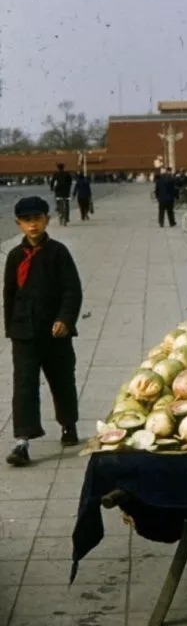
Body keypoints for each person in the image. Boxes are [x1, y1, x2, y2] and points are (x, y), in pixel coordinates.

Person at [4, 197, 83, 466]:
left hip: (55, 333)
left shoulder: (58, 253)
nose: (33, 225)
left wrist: (65, 319)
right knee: (24, 385)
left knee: (62, 380)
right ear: (19, 224)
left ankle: (68, 423)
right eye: (26, 220)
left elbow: (72, 290)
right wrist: (12, 328)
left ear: (47, 220)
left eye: (37, 219)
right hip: (25, 334)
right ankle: (22, 441)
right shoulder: (15, 256)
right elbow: (9, 294)